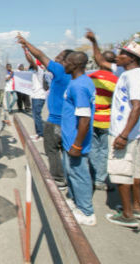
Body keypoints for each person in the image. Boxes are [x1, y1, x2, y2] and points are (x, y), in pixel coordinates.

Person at [17, 34, 72, 188]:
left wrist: (26, 43)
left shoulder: (61, 71)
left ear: (68, 61)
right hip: (70, 121)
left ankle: (59, 179)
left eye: (60, 57)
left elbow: (40, 55)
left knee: (52, 151)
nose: (56, 58)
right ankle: (70, 179)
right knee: (68, 152)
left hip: (56, 121)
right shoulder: (75, 76)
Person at [105, 41, 140, 228]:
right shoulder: (129, 73)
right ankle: (136, 206)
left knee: (121, 171)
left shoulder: (134, 77)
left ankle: (127, 214)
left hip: (124, 133)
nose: (117, 56)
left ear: (131, 58)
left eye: (121, 54)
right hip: (132, 132)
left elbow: (137, 106)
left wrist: (123, 135)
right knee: (134, 170)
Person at [61, 52, 96, 226]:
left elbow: (84, 119)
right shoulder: (77, 82)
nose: (63, 64)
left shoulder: (79, 86)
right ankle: (75, 201)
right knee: (72, 174)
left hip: (76, 141)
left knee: (79, 175)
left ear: (75, 65)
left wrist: (77, 144)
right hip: (70, 138)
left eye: (66, 62)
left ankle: (87, 212)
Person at [84, 32, 119, 192]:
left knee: (92, 148)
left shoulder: (90, 77)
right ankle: (100, 180)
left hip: (92, 119)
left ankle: (92, 176)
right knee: (104, 151)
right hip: (107, 121)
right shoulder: (116, 80)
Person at [23, 49, 47, 141]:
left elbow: (30, 61)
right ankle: (38, 133)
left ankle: (40, 135)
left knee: (37, 116)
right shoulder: (36, 71)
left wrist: (26, 51)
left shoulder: (39, 70)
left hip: (39, 97)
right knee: (35, 116)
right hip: (35, 96)